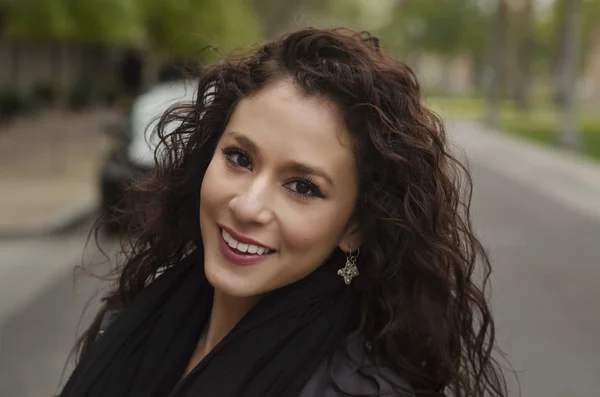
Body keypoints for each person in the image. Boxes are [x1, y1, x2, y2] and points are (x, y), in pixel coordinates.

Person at [60, 27, 508, 397]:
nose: (248, 205)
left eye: (302, 187)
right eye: (239, 158)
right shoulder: (131, 321)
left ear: (353, 227)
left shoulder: (356, 389)